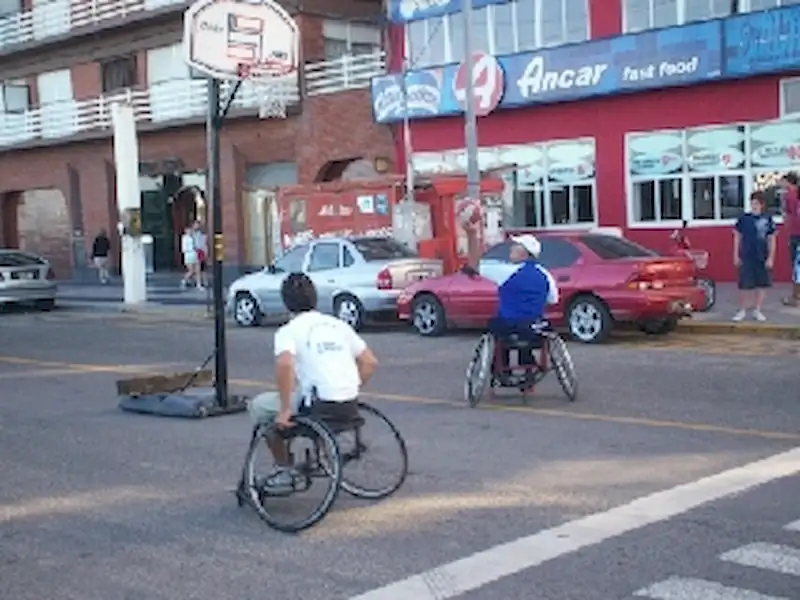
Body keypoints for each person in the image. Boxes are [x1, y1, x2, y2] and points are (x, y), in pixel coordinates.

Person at [243, 273, 378, 491]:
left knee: (259, 407)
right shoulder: (338, 325)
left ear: (286, 302)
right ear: (314, 298)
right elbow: (370, 362)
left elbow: (285, 365)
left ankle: (284, 469)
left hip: (318, 407)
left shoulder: (288, 331)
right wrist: (350, 387)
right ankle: (323, 451)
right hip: (349, 404)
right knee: (314, 393)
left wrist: (285, 409)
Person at [462, 224, 558, 367]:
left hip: (510, 325)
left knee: (497, 325)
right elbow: (553, 300)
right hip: (536, 327)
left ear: (524, 253)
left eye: (515, 246)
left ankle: (501, 368)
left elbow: (474, 265)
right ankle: (527, 363)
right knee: (526, 324)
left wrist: (471, 235)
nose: (511, 248)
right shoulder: (545, 274)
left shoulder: (506, 271)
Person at [733, 191, 776, 322]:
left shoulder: (768, 220)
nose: (754, 206)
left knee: (761, 284)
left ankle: (757, 310)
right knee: (744, 284)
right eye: (752, 203)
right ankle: (742, 310)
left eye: (756, 203)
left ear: (762, 204)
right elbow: (737, 237)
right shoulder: (744, 219)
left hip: (762, 256)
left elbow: (772, 239)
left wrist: (771, 257)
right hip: (746, 255)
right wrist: (735, 255)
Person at [780, 172, 800, 306]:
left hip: (795, 234)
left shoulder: (789, 196)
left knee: (796, 266)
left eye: (783, 181)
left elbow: (787, 215)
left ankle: (796, 297)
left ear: (788, 182)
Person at [180, 224, 199, 289]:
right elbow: (184, 249)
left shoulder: (193, 237)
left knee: (196, 270)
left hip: (195, 254)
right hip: (188, 255)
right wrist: (192, 248)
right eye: (188, 230)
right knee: (191, 270)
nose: (190, 231)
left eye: (190, 230)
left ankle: (195, 283)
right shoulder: (185, 238)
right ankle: (184, 280)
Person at [192, 220, 208, 289]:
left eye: (198, 224)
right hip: (197, 251)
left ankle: (204, 282)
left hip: (202, 251)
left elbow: (205, 243)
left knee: (203, 268)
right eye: (196, 224)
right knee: (198, 268)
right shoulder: (193, 234)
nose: (197, 226)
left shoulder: (202, 233)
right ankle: (198, 283)